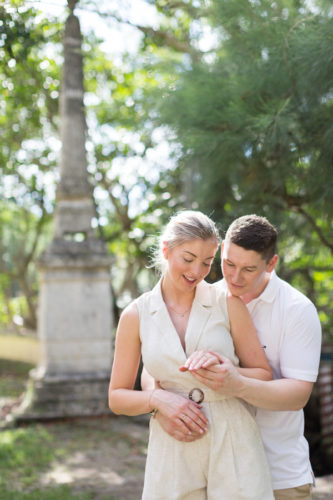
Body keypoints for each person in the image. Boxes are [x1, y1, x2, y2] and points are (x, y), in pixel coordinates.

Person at [148, 214, 322, 500]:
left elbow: (298, 395)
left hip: (279, 471)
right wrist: (159, 406)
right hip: (216, 469)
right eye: (228, 264)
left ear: (271, 264)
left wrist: (237, 383)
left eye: (249, 269)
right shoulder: (207, 297)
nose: (234, 277)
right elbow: (157, 361)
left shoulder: (296, 310)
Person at [109, 210, 274, 500]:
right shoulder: (137, 314)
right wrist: (157, 400)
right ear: (166, 250)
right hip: (172, 440)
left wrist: (228, 372)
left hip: (233, 435)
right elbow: (117, 397)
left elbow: (263, 374)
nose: (196, 271)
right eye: (188, 259)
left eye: (207, 263)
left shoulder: (228, 303)